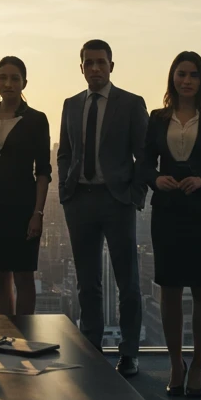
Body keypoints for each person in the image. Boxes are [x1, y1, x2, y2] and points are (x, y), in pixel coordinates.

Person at [57, 39, 148, 377]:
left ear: (111, 65)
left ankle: (129, 352)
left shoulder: (131, 103)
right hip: (79, 200)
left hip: (117, 201)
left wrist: (135, 195)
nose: (95, 68)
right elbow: (64, 152)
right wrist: (65, 191)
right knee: (87, 281)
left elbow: (144, 154)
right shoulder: (70, 104)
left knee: (128, 281)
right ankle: (92, 347)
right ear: (80, 67)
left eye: (100, 62)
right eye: (88, 63)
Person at [143, 52, 201, 399]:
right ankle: (175, 363)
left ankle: (197, 365)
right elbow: (144, 163)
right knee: (169, 288)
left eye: (193, 75)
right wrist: (156, 179)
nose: (187, 80)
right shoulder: (158, 118)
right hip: (167, 209)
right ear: (172, 78)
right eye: (181, 74)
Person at [0, 57, 51, 315]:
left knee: (24, 277)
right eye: (3, 77)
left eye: (15, 78)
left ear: (24, 82)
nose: (8, 83)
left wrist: (37, 213)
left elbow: (43, 171)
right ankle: (7, 336)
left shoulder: (37, 120)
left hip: (23, 209)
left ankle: (25, 338)